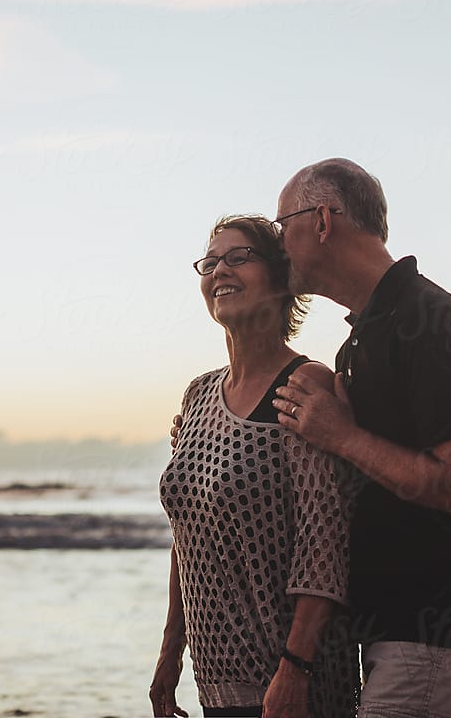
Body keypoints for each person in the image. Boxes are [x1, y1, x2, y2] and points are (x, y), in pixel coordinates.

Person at [269, 159, 451, 718]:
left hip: (435, 623)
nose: (278, 242)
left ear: (324, 221)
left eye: (281, 224)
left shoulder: (428, 320)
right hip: (398, 625)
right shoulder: (368, 335)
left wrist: (342, 434)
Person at [150, 215, 360, 718]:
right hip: (214, 677)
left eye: (239, 257)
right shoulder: (198, 395)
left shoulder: (305, 384)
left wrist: (295, 668)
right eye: (211, 260)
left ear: (281, 277)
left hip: (289, 680)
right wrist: (169, 652)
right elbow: (189, 533)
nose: (220, 269)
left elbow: (324, 543)